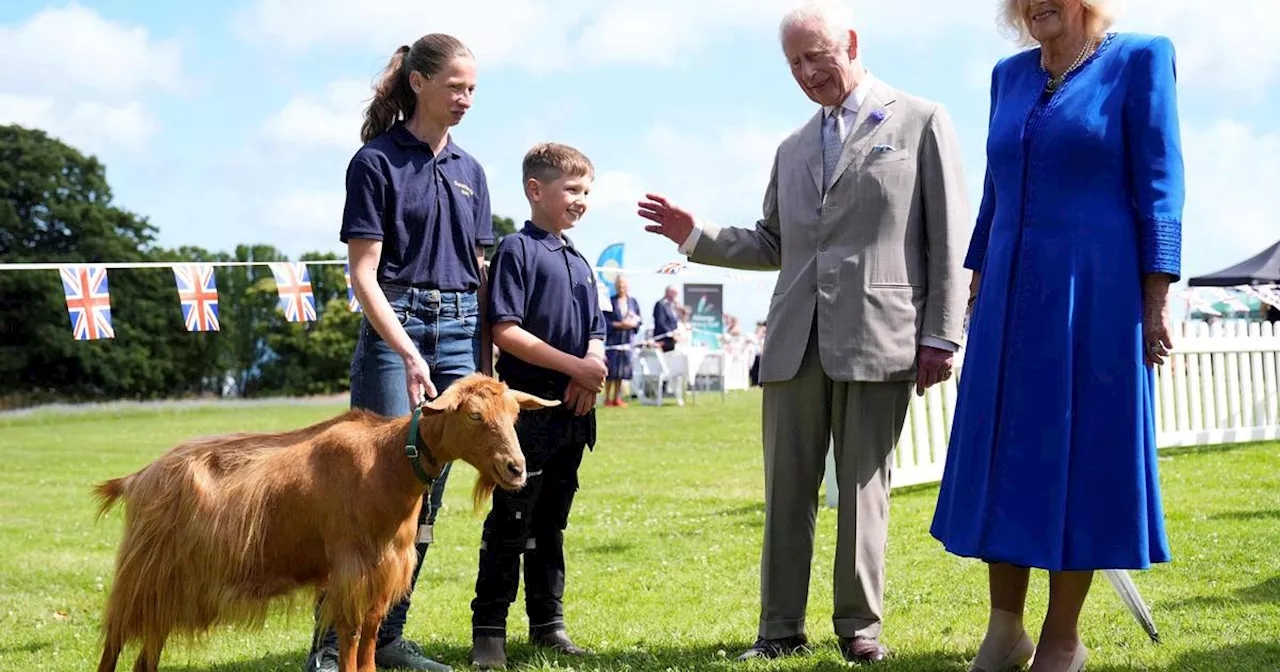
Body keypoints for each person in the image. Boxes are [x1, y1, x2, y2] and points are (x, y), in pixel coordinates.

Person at [638, 0, 969, 663]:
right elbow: (771, 242)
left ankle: (859, 628)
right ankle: (779, 629)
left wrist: (942, 335)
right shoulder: (791, 147)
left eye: (815, 57)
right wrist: (695, 237)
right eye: (793, 64)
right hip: (793, 342)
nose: (805, 73)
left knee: (862, 489)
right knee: (786, 491)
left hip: (882, 337)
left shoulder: (923, 121)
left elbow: (950, 238)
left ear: (850, 42)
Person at [929, 1, 1183, 671]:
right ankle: (1004, 628)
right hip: (1008, 294)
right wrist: (976, 290)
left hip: (1095, 294)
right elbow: (994, 193)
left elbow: (1161, 181)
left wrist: (1156, 297)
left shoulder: (1140, 57)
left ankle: (1063, 637)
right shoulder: (1008, 76)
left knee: (1085, 456)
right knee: (1003, 456)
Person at [307, 33, 494, 672]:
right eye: (456, 87)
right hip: (397, 330)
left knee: (429, 496)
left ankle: (387, 638)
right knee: (369, 492)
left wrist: (483, 367)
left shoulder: (473, 172)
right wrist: (408, 349)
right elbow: (364, 275)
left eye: (473, 88)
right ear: (418, 83)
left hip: (461, 331)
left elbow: (478, 270)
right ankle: (332, 650)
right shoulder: (375, 163)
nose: (466, 98)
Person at [470, 142, 607, 669]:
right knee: (511, 521)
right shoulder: (516, 250)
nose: (581, 201)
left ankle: (548, 624)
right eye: (572, 190)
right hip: (528, 418)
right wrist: (573, 369)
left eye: (587, 191)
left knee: (551, 523)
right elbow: (505, 329)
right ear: (536, 190)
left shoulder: (578, 259)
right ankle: (489, 632)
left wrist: (589, 373)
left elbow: (595, 331)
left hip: (575, 415)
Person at [603, 275, 642, 406]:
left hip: (627, 343)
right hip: (614, 342)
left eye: (624, 285)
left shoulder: (633, 302)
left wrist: (632, 325)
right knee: (611, 371)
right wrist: (619, 325)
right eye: (619, 285)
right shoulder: (610, 301)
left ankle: (616, 398)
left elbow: (638, 319)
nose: (621, 287)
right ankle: (607, 398)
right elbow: (606, 321)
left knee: (621, 372)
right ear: (615, 286)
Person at [653, 285, 681, 352]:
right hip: (663, 340)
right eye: (674, 293)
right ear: (668, 293)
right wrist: (671, 333)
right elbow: (660, 322)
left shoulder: (672, 306)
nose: (675, 296)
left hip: (672, 340)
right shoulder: (660, 304)